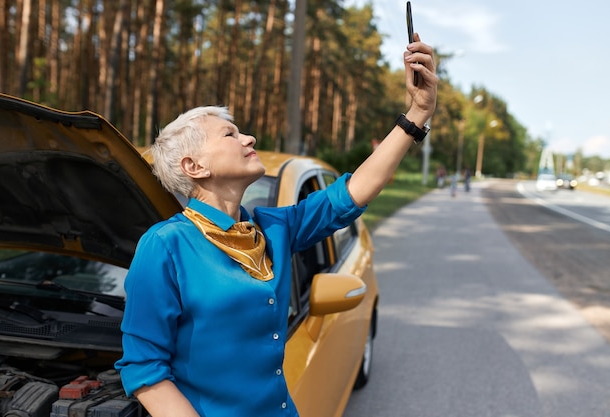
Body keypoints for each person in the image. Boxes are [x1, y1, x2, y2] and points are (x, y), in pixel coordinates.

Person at [114, 34, 437, 417]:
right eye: (230, 135)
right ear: (194, 167)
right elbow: (145, 369)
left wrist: (417, 114)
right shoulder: (165, 246)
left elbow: (353, 192)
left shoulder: (273, 229)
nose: (248, 137)